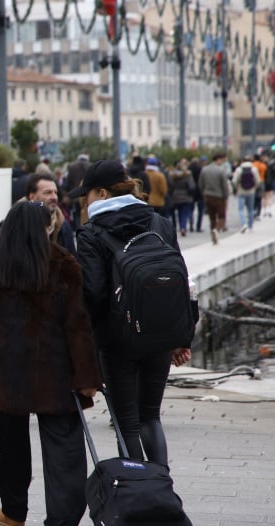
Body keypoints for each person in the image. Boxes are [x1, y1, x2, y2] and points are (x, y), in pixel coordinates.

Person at [0, 201, 101, 526]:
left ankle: (14, 517)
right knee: (64, 448)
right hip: (55, 372)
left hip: (9, 371)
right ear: (46, 228)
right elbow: (78, 326)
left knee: (12, 446)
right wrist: (87, 376)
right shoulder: (63, 264)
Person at [69, 159, 192, 466]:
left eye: (88, 195)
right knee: (151, 415)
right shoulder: (160, 222)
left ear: (102, 192)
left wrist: (91, 344)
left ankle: (141, 489)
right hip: (160, 334)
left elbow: (94, 293)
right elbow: (179, 281)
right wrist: (181, 337)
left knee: (127, 422)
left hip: (118, 340)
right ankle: (162, 481)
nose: (85, 201)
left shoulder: (91, 233)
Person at [23, 172, 75, 255]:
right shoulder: (15, 225)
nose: (54, 197)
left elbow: (73, 262)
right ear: (32, 197)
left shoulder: (64, 226)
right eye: (48, 192)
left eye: (55, 192)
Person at [199, 153, 232, 245]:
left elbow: (200, 183)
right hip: (219, 196)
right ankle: (216, 230)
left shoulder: (204, 170)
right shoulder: (220, 171)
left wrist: (204, 193)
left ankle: (213, 231)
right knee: (221, 215)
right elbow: (224, 185)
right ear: (218, 160)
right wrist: (226, 196)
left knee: (211, 216)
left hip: (207, 196)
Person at [168, 158, 196, 237]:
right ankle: (183, 227)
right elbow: (192, 185)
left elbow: (170, 186)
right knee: (184, 213)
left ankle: (179, 227)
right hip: (186, 196)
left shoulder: (172, 175)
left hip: (176, 196)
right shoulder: (187, 175)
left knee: (179, 213)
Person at [231, 159, 259, 234]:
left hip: (241, 191)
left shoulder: (238, 170)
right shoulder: (254, 169)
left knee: (241, 209)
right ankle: (250, 225)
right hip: (251, 192)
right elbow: (258, 181)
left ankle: (244, 224)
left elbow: (234, 181)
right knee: (250, 209)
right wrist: (254, 188)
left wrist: (237, 188)